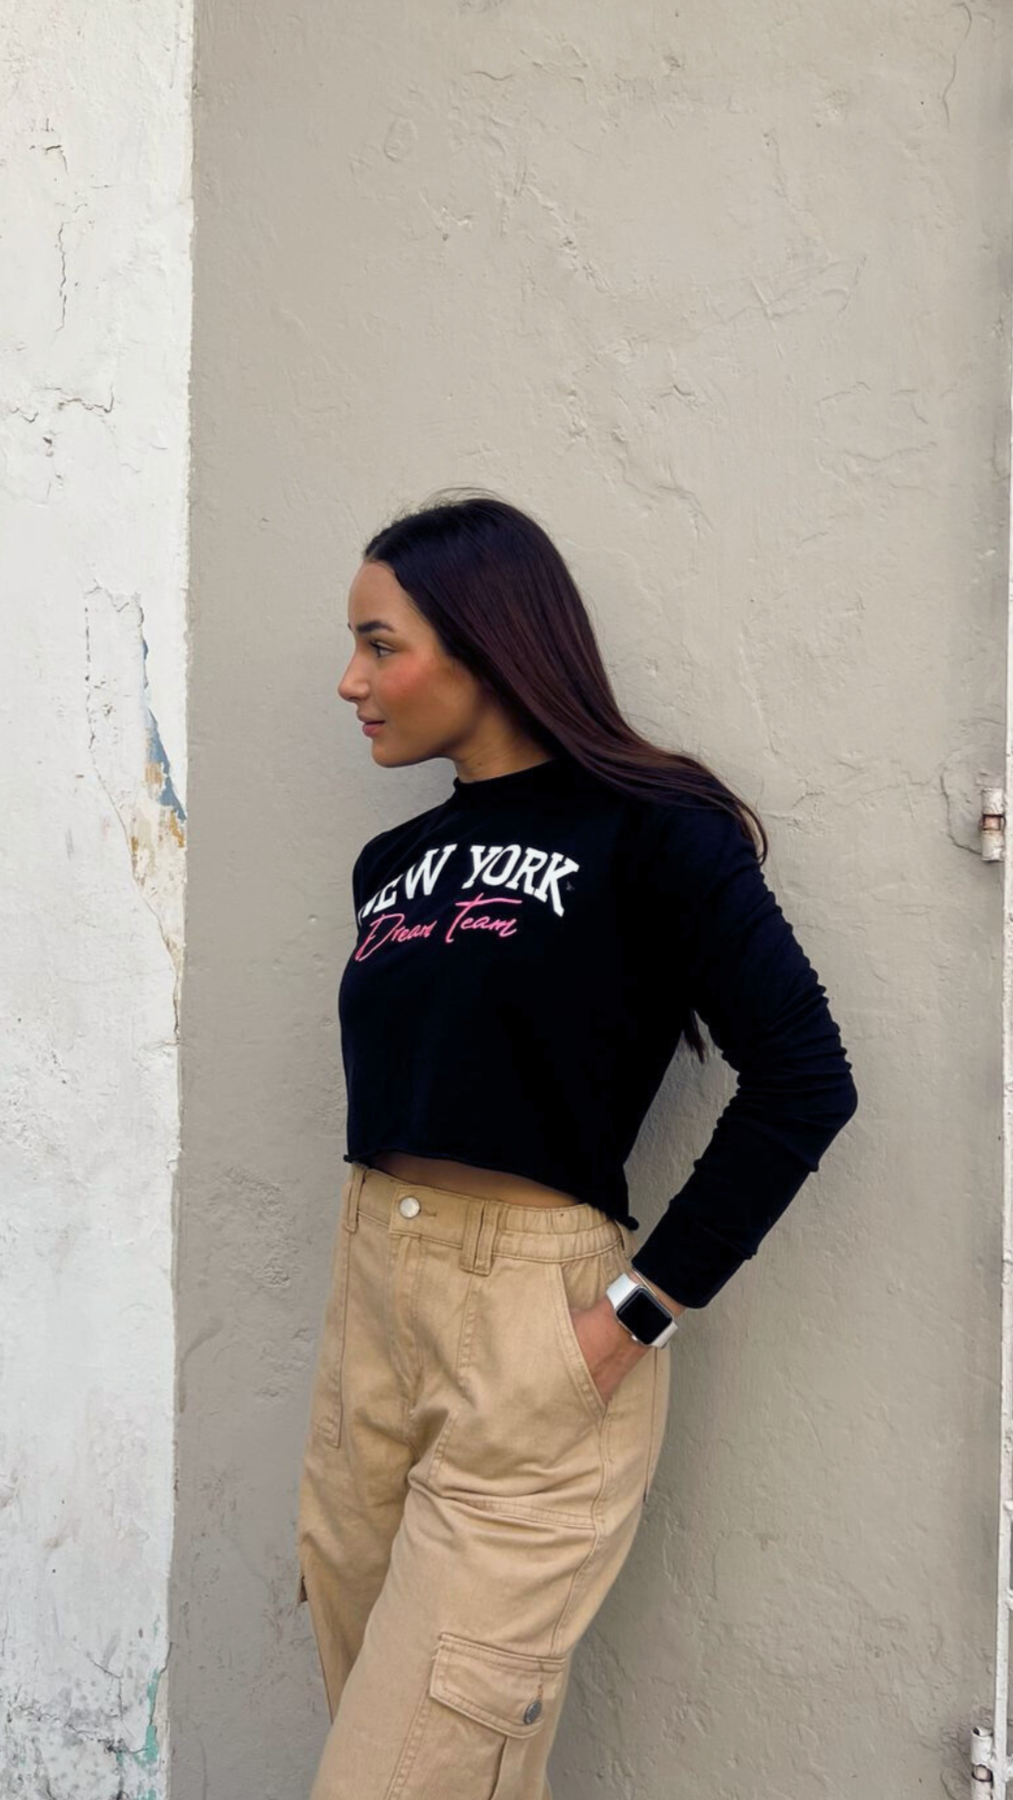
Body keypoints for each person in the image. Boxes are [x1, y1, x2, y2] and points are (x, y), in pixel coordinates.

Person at [295, 490, 859, 1800]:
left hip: (535, 1337)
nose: (350, 682)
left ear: (486, 643)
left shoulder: (656, 831)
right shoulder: (391, 860)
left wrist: (629, 1321)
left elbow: (805, 1080)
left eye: (380, 645)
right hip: (369, 1322)